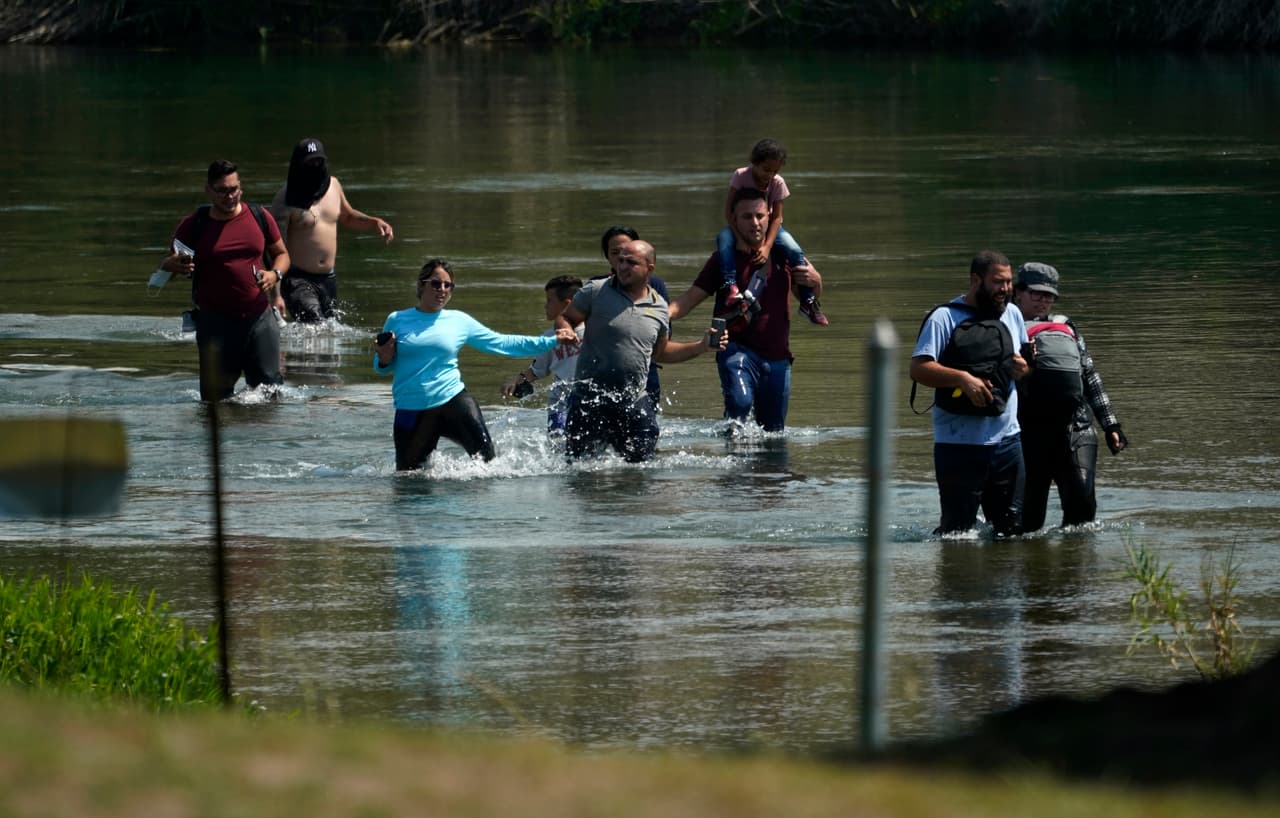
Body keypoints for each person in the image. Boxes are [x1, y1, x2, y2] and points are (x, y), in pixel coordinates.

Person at [374, 259, 578, 471]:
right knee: (407, 481)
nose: (442, 290)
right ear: (421, 285)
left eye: (448, 285)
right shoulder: (397, 319)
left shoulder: (459, 321)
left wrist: (552, 340)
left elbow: (502, 343)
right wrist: (384, 358)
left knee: (490, 467)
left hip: (453, 402)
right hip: (411, 409)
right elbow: (381, 367)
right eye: (436, 284)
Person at [668, 187, 825, 433]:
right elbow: (688, 300)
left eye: (760, 216)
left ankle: (767, 473)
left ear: (770, 216)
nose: (755, 223)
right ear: (734, 219)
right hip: (735, 348)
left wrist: (816, 281)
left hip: (777, 356)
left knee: (774, 430)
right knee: (738, 408)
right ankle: (734, 467)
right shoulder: (722, 259)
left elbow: (807, 297)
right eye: (746, 217)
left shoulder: (784, 254)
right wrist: (654, 316)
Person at [556, 240, 724, 462]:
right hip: (590, 400)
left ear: (649, 269)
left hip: (634, 402)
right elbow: (565, 317)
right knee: (579, 471)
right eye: (620, 260)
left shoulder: (660, 308)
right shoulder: (596, 290)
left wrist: (701, 346)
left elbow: (660, 353)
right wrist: (566, 331)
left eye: (631, 262)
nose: (622, 267)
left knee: (642, 471)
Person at [909, 250, 1032, 537]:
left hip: (1008, 442)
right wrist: (962, 379)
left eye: (1009, 282)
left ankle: (1005, 582)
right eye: (998, 282)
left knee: (1011, 531)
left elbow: (1025, 368)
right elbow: (918, 369)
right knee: (957, 534)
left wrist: (1023, 369)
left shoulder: (1012, 314)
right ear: (976, 280)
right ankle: (960, 581)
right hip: (958, 445)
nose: (1005, 290)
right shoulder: (944, 317)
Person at [159, 159, 291, 401]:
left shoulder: (260, 216)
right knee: (215, 403)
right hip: (215, 326)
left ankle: (266, 440)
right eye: (222, 191)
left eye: (234, 189)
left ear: (241, 187)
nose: (229, 196)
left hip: (259, 321)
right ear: (208, 190)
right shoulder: (194, 225)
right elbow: (168, 264)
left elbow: (282, 255)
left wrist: (275, 274)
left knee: (272, 397)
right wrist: (172, 265)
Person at [1013, 262, 1128, 531]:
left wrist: (1111, 425)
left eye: (1049, 296)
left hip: (1076, 429)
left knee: (1082, 516)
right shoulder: (1003, 327)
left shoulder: (1066, 328)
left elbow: (1090, 376)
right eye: (1037, 294)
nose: (1043, 301)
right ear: (1018, 292)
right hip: (1028, 434)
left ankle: (1075, 568)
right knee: (1027, 523)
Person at [270, 137, 394, 323]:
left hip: (328, 278)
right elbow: (275, 250)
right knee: (315, 325)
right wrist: (276, 295)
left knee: (329, 332)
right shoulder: (285, 199)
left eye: (318, 161)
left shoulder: (333, 186)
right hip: (297, 279)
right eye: (309, 163)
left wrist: (374, 222)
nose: (315, 167)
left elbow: (348, 217)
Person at [716, 138, 828, 326]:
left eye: (775, 171)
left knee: (794, 250)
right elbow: (728, 212)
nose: (769, 175)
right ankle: (731, 286)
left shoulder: (777, 183)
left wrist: (767, 247)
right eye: (766, 169)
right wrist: (739, 238)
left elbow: (776, 218)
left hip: (769, 226)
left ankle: (808, 301)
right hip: (741, 226)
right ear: (755, 163)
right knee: (724, 241)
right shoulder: (741, 176)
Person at [500, 275, 585, 436]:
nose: (545, 306)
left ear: (566, 305)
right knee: (558, 449)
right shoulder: (549, 338)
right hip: (558, 406)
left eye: (549, 301)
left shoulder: (594, 332)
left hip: (586, 403)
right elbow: (536, 371)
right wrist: (515, 381)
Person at [597, 225, 668, 408]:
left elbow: (663, 337)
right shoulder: (596, 288)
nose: (623, 261)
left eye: (629, 254)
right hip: (603, 374)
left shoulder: (655, 287)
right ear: (607, 257)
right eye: (616, 254)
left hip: (645, 372)